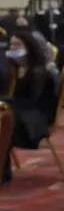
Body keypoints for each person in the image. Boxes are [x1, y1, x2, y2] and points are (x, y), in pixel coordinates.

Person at [0, 30, 59, 183]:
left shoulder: (39, 72)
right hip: (20, 112)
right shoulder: (14, 69)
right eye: (11, 45)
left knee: (4, 120)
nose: (13, 48)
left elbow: (33, 102)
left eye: (18, 45)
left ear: (29, 47)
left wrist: (8, 102)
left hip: (35, 118)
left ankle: (3, 171)